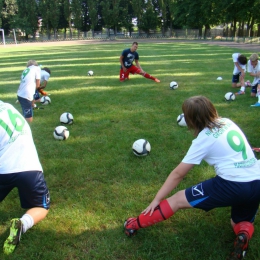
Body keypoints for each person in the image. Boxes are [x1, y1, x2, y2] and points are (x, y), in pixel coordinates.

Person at [124, 96, 260, 259]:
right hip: (257, 181)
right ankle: (244, 234)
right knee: (237, 223)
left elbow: (178, 174)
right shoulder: (227, 122)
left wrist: (157, 199)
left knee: (176, 200)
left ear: (190, 121)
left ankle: (133, 224)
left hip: (232, 184)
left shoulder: (203, 139)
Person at [0, 100, 50, 255]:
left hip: (3, 168)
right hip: (29, 167)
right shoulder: (7, 106)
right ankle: (23, 223)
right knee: (41, 207)